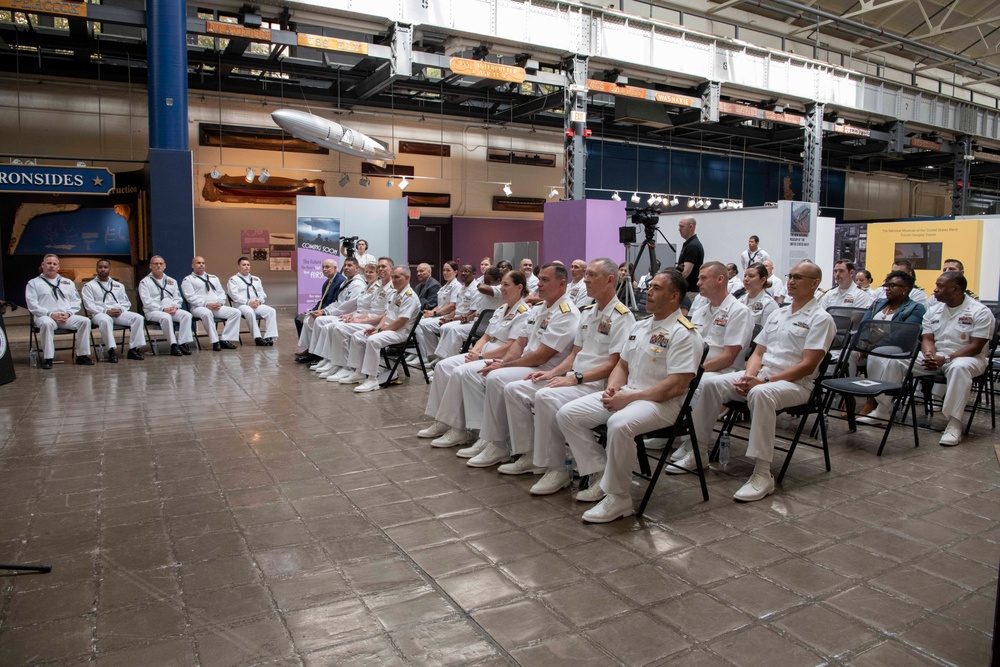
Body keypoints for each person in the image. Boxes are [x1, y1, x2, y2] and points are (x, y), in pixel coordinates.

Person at [554, 269, 703, 522]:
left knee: (618, 424)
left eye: (657, 288)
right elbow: (622, 365)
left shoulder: (684, 333)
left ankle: (619, 497)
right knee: (568, 414)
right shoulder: (642, 325)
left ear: (674, 296)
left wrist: (629, 399)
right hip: (629, 394)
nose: (648, 291)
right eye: (650, 286)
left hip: (663, 404)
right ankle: (601, 472)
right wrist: (613, 388)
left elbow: (676, 385)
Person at [691, 261, 836, 502]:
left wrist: (765, 380)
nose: (791, 281)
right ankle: (698, 450)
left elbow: (808, 365)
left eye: (799, 277)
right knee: (709, 383)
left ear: (815, 283)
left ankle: (762, 474)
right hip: (763, 376)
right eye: (791, 276)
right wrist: (750, 375)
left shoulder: (821, 319)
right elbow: (758, 352)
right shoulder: (779, 313)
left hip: (795, 384)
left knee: (761, 394)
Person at [501, 258, 635, 492]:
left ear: (610, 280)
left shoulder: (622, 316)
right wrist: (552, 373)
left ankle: (558, 468)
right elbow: (576, 353)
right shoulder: (588, 312)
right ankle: (529, 454)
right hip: (576, 378)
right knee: (516, 389)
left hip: (597, 383)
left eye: (592, 275)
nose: (585, 279)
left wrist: (575, 378)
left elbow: (615, 364)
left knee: (546, 397)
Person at [461, 263, 581, 467]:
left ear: (561, 284)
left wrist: (505, 367)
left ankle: (502, 445)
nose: (539, 284)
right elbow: (519, 344)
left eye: (545, 280)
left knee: (498, 378)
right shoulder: (540, 308)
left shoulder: (566, 312)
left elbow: (541, 356)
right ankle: (494, 441)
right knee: (490, 373)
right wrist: (502, 361)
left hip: (546, 370)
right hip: (529, 366)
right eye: (539, 278)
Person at [862, 271, 993, 446]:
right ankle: (883, 410)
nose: (935, 290)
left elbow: (976, 346)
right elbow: (928, 338)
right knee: (894, 359)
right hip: (935, 356)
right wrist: (930, 354)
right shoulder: (934, 310)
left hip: (968, 358)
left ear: (955, 289)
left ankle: (954, 424)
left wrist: (944, 358)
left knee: (958, 368)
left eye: (940, 286)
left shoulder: (980, 312)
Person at [418, 271, 532, 447]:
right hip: (483, 351)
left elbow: (511, 346)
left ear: (519, 287)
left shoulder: (524, 312)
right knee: (442, 366)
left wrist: (480, 356)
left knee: (459, 372)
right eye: (501, 284)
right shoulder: (501, 309)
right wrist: (474, 352)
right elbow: (485, 336)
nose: (502, 288)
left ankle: (459, 430)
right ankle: (442, 420)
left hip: (498, 356)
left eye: (506, 285)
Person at [668, 261, 754, 474]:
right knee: (667, 374)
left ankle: (696, 448)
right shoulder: (700, 309)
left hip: (724, 371)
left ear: (720, 279)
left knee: (697, 383)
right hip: (700, 367)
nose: (698, 283)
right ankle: (673, 434)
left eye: (702, 278)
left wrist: (695, 369)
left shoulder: (738, 311)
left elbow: (729, 356)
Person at [339, 265, 421, 393]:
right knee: (357, 336)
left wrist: (381, 330)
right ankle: (359, 372)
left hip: (401, 332)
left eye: (397, 277)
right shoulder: (395, 293)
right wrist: (377, 328)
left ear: (407, 277)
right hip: (388, 329)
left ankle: (372, 379)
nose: (393, 280)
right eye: (393, 277)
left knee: (373, 340)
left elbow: (401, 321)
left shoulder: (410, 296)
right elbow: (387, 315)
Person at [325, 258, 396, 381]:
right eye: (379, 267)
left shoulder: (392, 289)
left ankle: (348, 367)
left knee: (340, 328)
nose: (380, 269)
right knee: (336, 326)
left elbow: (385, 315)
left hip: (378, 324)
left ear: (392, 269)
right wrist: (354, 317)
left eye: (383, 267)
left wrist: (360, 321)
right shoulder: (379, 287)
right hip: (368, 319)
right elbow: (370, 310)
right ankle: (339, 364)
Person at [25, 254, 94, 368]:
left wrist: (68, 313)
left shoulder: (67, 282)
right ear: (43, 265)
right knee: (47, 324)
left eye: (54, 264)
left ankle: (82, 355)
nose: (51, 266)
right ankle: (48, 358)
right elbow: (32, 305)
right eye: (49, 263)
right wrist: (50, 314)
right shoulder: (33, 283)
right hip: (44, 316)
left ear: (58, 267)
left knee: (85, 321)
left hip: (65, 317)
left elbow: (76, 301)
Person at [308, 259, 372, 373]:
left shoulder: (358, 284)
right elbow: (338, 302)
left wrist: (329, 313)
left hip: (355, 316)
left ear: (357, 268)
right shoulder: (347, 282)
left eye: (350, 265)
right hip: (348, 314)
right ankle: (325, 357)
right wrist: (324, 310)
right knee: (319, 321)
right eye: (345, 265)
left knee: (332, 326)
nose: (346, 268)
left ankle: (340, 363)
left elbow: (348, 306)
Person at [82, 259, 146, 362]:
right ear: (96, 269)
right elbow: (89, 305)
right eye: (100, 267)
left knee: (138, 318)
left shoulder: (119, 285)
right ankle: (111, 350)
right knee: (106, 320)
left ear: (110, 269)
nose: (103, 269)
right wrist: (106, 311)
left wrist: (120, 309)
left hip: (117, 314)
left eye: (105, 267)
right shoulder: (89, 286)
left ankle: (134, 349)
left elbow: (126, 303)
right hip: (99, 314)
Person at [434, 267, 504, 361]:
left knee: (455, 331)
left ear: (498, 280)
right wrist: (468, 317)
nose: (486, 283)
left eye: (489, 281)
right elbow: (478, 312)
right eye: (485, 281)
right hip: (476, 321)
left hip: (486, 326)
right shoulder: (485, 288)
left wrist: (481, 284)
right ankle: (441, 359)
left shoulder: (500, 289)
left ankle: (446, 360)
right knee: (447, 328)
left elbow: (482, 287)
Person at [414, 264, 477, 363]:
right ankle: (431, 356)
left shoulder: (463, 287)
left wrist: (440, 315)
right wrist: (433, 312)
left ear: (455, 272)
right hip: (454, 316)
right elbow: (447, 306)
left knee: (445, 327)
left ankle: (443, 360)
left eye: (448, 270)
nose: (445, 273)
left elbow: (453, 306)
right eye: (444, 270)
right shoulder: (457, 288)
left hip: (465, 319)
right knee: (421, 323)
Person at [181, 256, 241, 352]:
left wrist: (220, 303)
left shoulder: (213, 278)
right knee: (207, 313)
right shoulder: (188, 280)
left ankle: (225, 339)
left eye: (203, 263)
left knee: (236, 312)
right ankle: (215, 341)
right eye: (198, 263)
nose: (201, 265)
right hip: (199, 308)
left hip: (216, 306)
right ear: (192, 265)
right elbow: (190, 297)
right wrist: (205, 304)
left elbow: (221, 292)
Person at [138, 255, 194, 357]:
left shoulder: (172, 281)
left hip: (171, 309)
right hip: (153, 311)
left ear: (165, 266)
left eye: (161, 264)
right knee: (166, 317)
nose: (159, 266)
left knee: (186, 315)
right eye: (156, 264)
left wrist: (175, 307)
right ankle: (173, 345)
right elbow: (147, 302)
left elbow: (178, 297)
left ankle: (182, 343)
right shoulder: (144, 282)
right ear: (150, 266)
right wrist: (163, 309)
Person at [295, 258, 345, 362]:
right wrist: (313, 310)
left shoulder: (340, 281)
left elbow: (336, 302)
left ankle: (315, 353)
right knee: (299, 318)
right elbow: (322, 300)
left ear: (335, 268)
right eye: (323, 267)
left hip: (332, 312)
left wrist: (322, 312)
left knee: (314, 320)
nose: (324, 269)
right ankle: (309, 348)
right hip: (322, 310)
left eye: (327, 267)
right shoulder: (327, 282)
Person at [227, 257, 278, 346]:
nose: (246, 267)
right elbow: (233, 295)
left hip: (256, 304)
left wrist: (259, 301)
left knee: (271, 311)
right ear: (238, 267)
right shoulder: (233, 280)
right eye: (243, 265)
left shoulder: (256, 279)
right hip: (242, 305)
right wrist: (248, 302)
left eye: (248, 265)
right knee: (250, 312)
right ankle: (257, 338)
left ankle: (269, 336)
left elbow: (262, 293)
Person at [739, 263, 779, 327]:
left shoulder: (768, 303)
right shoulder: (740, 300)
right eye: (745, 276)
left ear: (763, 280)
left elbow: (765, 332)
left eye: (751, 276)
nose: (746, 279)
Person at [676, 217, 703, 300]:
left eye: (682, 226)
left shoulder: (692, 246)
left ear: (691, 227)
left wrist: (671, 282)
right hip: (687, 291)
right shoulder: (689, 244)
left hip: (690, 292)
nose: (679, 229)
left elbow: (685, 272)